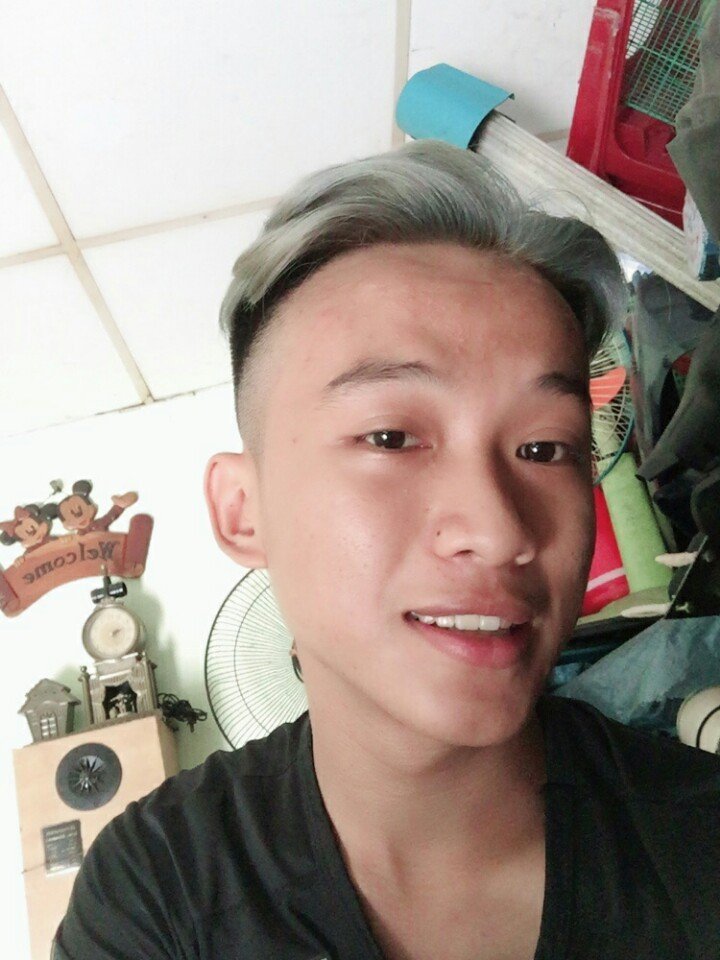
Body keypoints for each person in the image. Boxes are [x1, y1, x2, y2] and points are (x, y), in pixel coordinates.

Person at [54, 140, 720, 960]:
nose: (500, 531)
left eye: (545, 449)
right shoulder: (158, 891)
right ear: (243, 512)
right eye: (392, 437)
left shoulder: (699, 848)